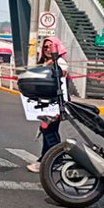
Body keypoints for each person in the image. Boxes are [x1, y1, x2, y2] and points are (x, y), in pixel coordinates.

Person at [27, 37, 68, 173]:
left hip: (56, 104)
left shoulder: (60, 62)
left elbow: (61, 74)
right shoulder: (45, 63)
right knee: (48, 130)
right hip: (46, 103)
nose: (48, 49)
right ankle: (50, 159)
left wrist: (51, 64)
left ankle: (50, 160)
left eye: (51, 46)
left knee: (49, 130)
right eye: (45, 47)